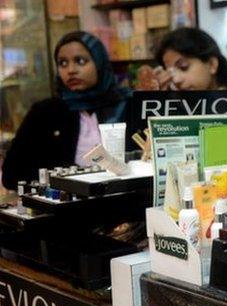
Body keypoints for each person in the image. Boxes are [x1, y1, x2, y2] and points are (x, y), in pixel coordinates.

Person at [2, 31, 134, 190]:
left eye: (80, 61)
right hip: (67, 204)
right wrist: (73, 177)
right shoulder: (46, 112)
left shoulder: (126, 104)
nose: (70, 70)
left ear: (99, 62)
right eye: (63, 63)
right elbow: (11, 175)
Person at [153, 28, 227, 183]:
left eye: (183, 67)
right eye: (170, 72)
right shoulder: (185, 104)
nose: (176, 79)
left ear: (211, 64)